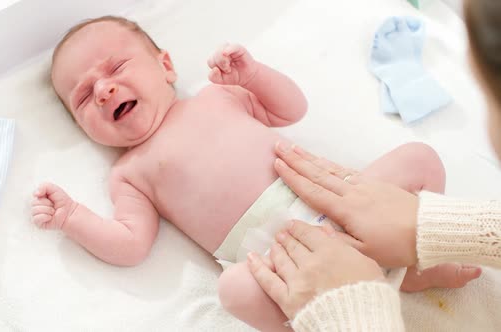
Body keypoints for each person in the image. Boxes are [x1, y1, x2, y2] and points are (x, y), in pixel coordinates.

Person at [30, 16, 477, 331]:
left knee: (420, 158)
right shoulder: (129, 173)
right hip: (280, 264)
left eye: (116, 68)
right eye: (84, 97)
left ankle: (415, 263)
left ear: (165, 66)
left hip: (344, 203)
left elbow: (291, 109)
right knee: (234, 290)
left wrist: (255, 75)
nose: (104, 90)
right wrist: (73, 218)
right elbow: (130, 244)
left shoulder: (217, 95)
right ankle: (316, 323)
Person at [247, 0, 501, 330]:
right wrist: (436, 227)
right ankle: (407, 262)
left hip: (287, 248)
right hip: (287, 236)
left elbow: (288, 108)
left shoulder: (217, 96)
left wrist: (349, 314)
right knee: (419, 156)